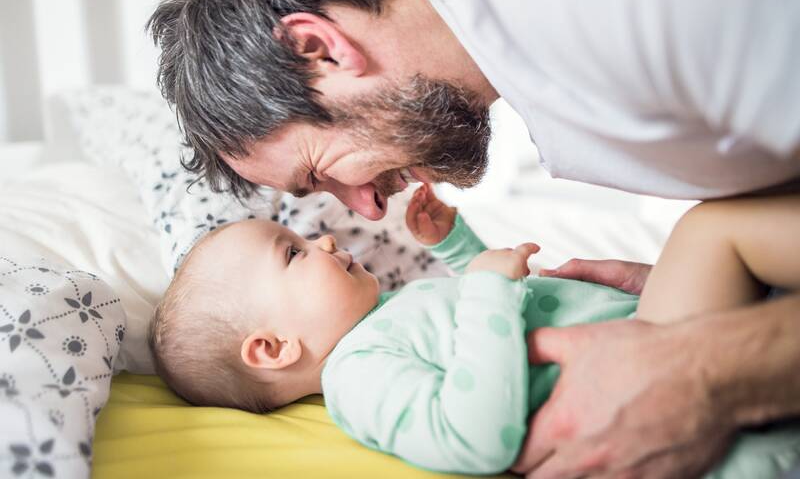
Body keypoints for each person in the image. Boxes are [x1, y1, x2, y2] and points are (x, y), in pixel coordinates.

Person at [147, 0, 800, 475]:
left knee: (713, 230)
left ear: (321, 48)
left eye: (321, 171)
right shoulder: (528, 9)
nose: (367, 212)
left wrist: (708, 367)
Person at [148, 185, 800, 477]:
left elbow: (469, 326)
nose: (320, 237)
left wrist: (459, 248)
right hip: (652, 371)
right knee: (713, 228)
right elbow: (475, 433)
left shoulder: (387, 319)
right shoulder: (358, 377)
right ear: (272, 349)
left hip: (665, 342)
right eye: (291, 252)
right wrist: (489, 285)